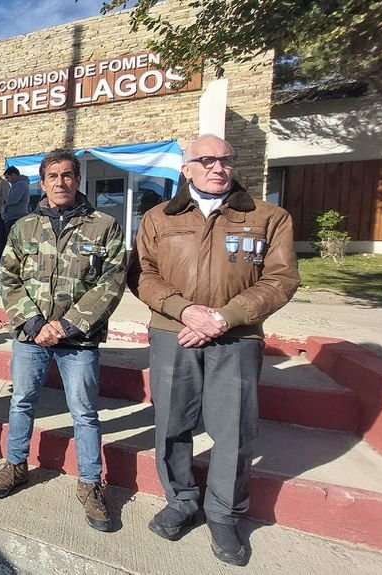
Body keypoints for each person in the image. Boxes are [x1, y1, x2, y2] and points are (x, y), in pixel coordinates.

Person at [127, 134, 299, 566]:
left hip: (237, 337)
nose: (217, 167)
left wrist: (225, 317)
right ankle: (182, 500)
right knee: (170, 423)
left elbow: (281, 279)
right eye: (205, 160)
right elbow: (142, 275)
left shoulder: (268, 216)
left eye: (225, 159)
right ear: (186, 169)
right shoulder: (158, 218)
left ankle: (224, 514)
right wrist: (185, 312)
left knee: (235, 431)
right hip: (173, 334)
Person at [0, 150, 126, 531]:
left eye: (68, 175)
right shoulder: (24, 228)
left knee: (84, 412)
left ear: (78, 180)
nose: (61, 182)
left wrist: (67, 325)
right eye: (53, 176)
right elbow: (9, 278)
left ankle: (89, 484)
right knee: (21, 401)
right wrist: (35, 323)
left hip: (78, 340)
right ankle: (15, 465)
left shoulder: (104, 226)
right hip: (31, 336)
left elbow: (111, 282)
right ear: (43, 181)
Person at [2, 166, 30, 235]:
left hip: (16, 217)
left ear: (13, 175)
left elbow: (13, 199)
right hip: (13, 217)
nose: (7, 180)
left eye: (8, 178)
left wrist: (5, 201)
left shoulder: (20, 184)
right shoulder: (17, 185)